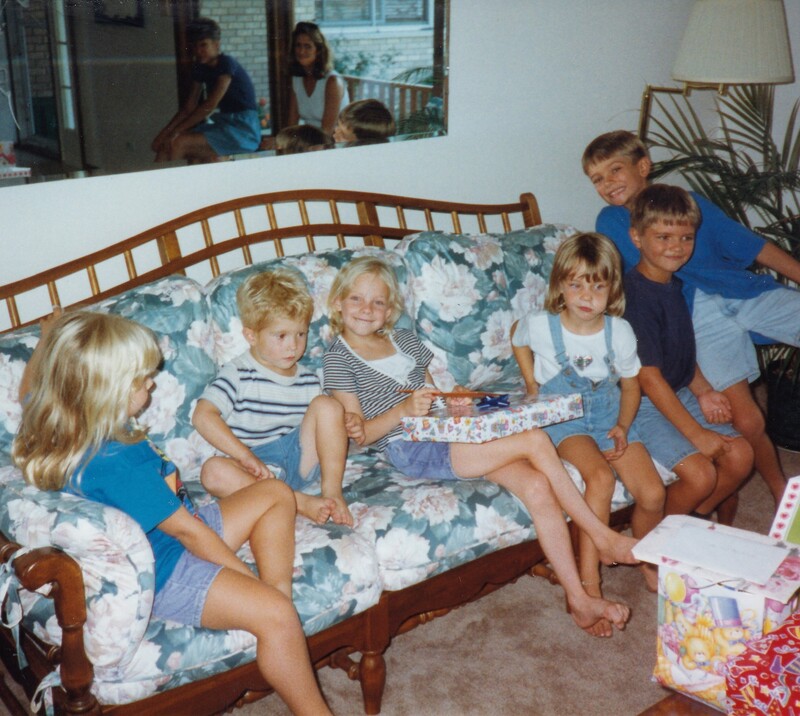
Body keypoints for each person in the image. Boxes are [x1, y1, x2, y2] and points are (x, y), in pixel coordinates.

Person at [12, 311, 332, 716]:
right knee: (278, 614)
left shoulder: (61, 420)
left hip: (173, 532)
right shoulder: (117, 461)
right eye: (141, 379)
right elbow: (189, 535)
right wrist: (247, 581)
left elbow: (30, 389)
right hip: (167, 570)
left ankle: (275, 604)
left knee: (276, 493)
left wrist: (48, 339)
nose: (151, 383)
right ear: (106, 390)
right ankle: (281, 628)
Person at [322, 256, 639, 638]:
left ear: (390, 310)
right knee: (535, 439)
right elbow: (361, 435)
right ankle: (603, 536)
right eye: (356, 299)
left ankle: (580, 600)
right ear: (338, 303)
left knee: (536, 485)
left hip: (449, 430)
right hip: (411, 446)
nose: (366, 309)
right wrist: (402, 411)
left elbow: (432, 395)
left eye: (378, 302)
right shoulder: (338, 358)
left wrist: (453, 399)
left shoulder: (404, 340)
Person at [583, 129, 800, 510]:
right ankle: (783, 495)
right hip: (693, 315)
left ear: (643, 167)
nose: (607, 183)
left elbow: (752, 245)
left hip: (741, 290)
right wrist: (699, 384)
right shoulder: (612, 222)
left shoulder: (688, 203)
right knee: (748, 420)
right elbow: (644, 296)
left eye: (615, 170)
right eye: (597, 178)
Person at [510, 232, 665, 619]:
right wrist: (530, 382)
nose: (586, 296)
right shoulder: (542, 324)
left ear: (612, 291)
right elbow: (517, 337)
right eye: (576, 284)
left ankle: (645, 556)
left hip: (609, 416)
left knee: (652, 493)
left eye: (597, 287)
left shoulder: (620, 331)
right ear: (560, 285)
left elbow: (631, 384)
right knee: (600, 477)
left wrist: (623, 425)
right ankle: (587, 585)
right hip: (565, 420)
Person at [621, 184, 753, 522]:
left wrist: (704, 390)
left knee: (741, 455)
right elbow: (649, 378)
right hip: (641, 405)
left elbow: (679, 351)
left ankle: (690, 519)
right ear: (636, 237)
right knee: (701, 474)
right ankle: (664, 536)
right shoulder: (636, 298)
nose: (676, 247)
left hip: (677, 391)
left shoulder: (672, 285)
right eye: (663, 237)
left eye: (686, 237)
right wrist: (697, 435)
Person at [193, 268, 353, 526]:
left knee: (328, 405)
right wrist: (245, 456)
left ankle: (332, 494)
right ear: (251, 336)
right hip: (253, 469)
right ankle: (298, 502)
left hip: (300, 460)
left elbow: (325, 430)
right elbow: (203, 417)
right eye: (281, 336)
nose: (293, 345)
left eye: (301, 334)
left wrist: (345, 422)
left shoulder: (309, 379)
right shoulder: (238, 373)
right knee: (212, 472)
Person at [151, 18, 261, 164]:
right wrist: (165, 133)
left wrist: (176, 132)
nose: (198, 51)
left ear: (216, 45)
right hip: (224, 125)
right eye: (195, 46)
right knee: (165, 145)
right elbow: (189, 107)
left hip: (243, 131)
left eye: (203, 45)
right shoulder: (200, 68)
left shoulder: (226, 63)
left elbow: (210, 105)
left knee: (177, 142)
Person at [287, 22, 349, 136]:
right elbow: (291, 125)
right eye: (298, 45)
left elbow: (327, 132)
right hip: (312, 140)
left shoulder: (333, 81)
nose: (301, 51)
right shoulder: (297, 79)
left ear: (319, 50)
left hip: (334, 141)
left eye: (307, 46)